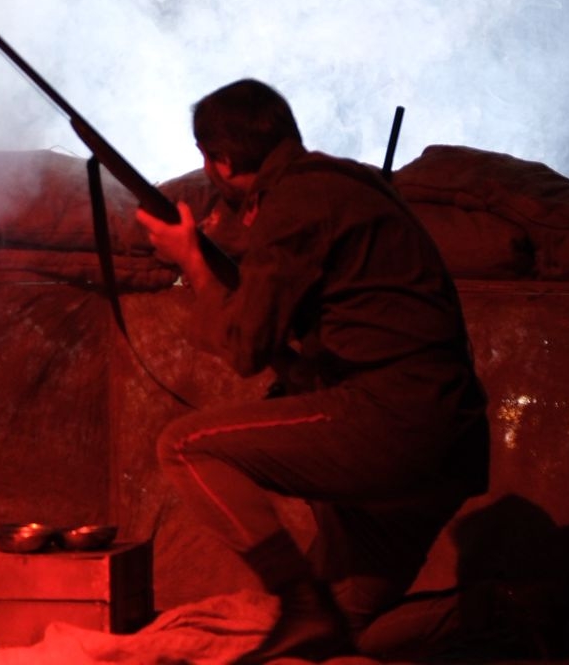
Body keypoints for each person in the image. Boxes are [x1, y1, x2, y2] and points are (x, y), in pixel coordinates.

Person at [135, 79, 488, 664]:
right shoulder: (337, 186)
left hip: (395, 424)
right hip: (444, 440)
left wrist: (192, 259)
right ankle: (513, 612)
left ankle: (298, 600)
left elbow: (248, 347)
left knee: (186, 447)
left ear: (219, 161)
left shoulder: (296, 200)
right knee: (344, 635)